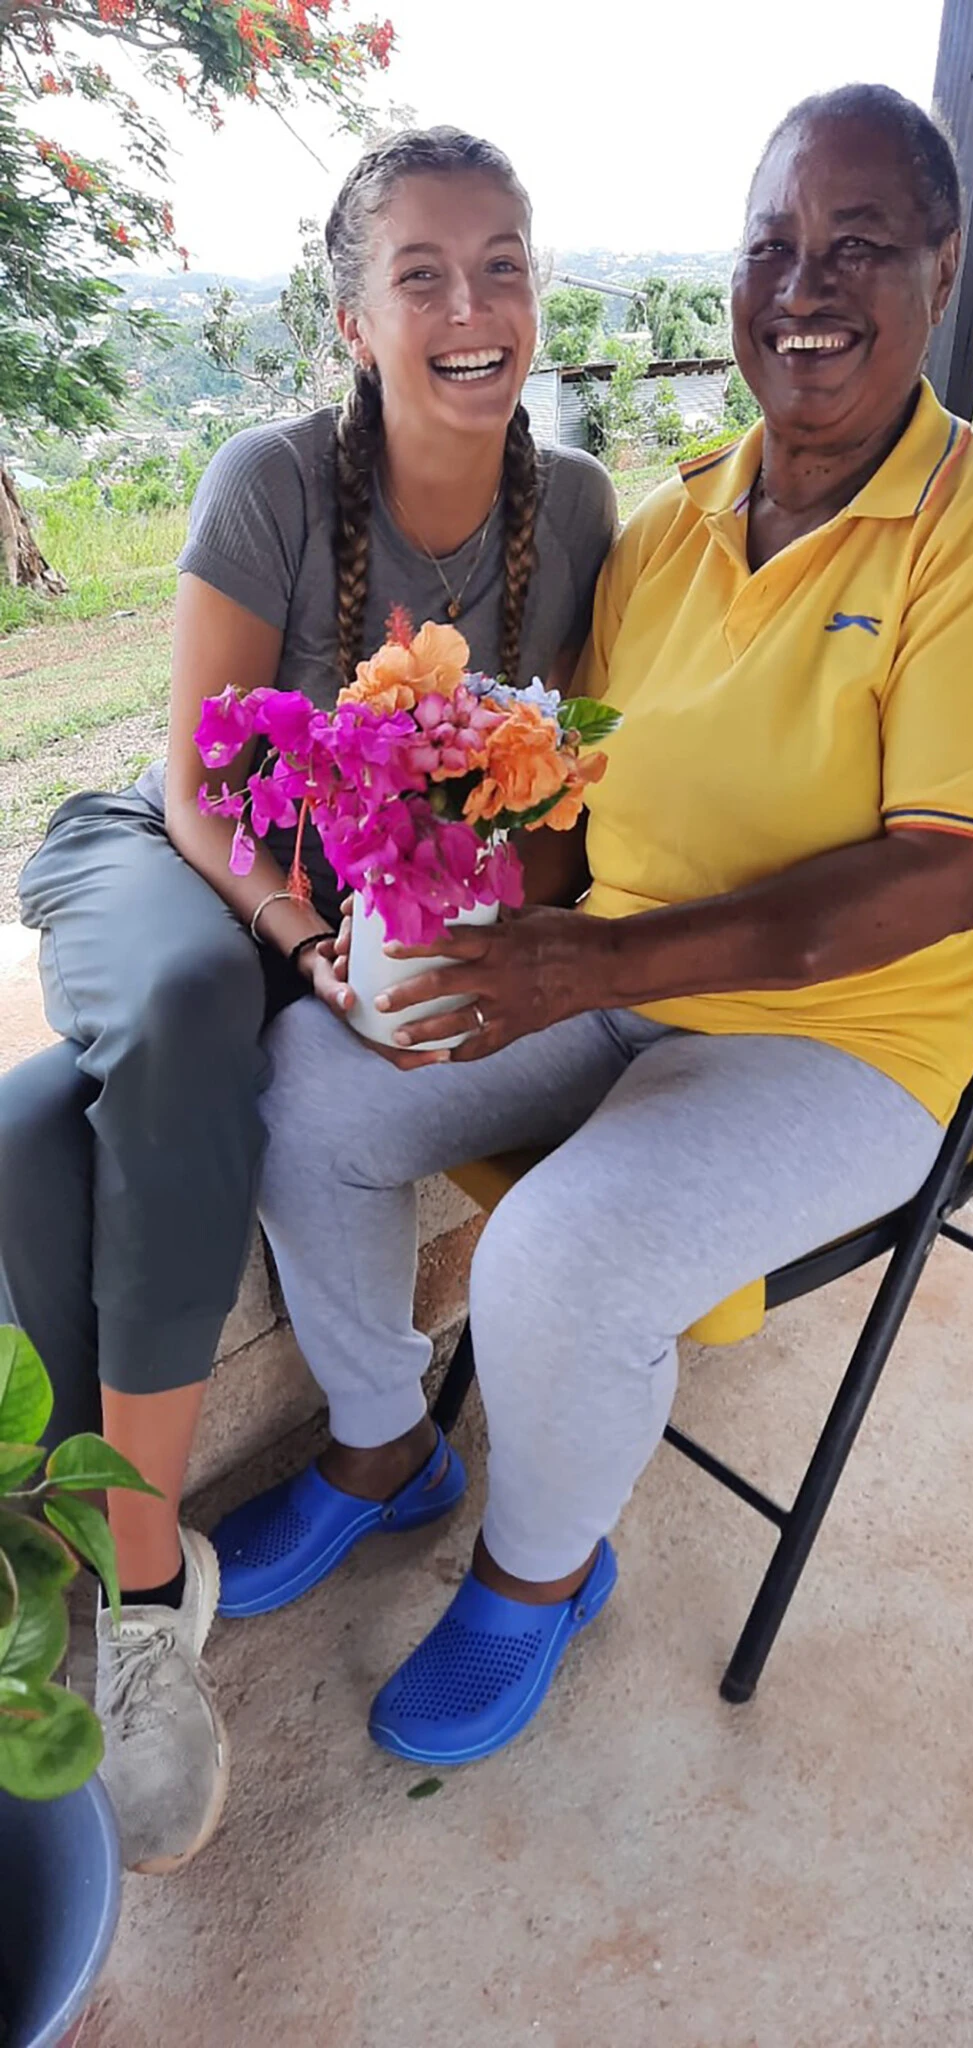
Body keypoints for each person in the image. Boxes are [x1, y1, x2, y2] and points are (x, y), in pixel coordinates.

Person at [217, 82, 973, 1772]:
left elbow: (949, 872)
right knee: (313, 1091)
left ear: (940, 265)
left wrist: (596, 964)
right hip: (622, 977)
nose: (805, 287)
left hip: (849, 1043)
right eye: (772, 247)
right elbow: (574, 800)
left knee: (557, 1254)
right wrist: (471, 923)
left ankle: (539, 1572)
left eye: (857, 247)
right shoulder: (673, 519)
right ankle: (388, 1439)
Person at [0, 127, 616, 1870]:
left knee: (42, 1125)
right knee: (194, 1021)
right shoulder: (267, 483)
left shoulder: (567, 506)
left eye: (500, 262)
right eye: (420, 272)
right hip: (177, 866)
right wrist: (302, 934)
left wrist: (473, 945)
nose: (471, 303)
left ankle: (131, 1553)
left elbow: (547, 790)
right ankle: (134, 1602)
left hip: (354, 919)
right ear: (353, 319)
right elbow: (197, 787)